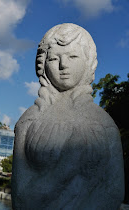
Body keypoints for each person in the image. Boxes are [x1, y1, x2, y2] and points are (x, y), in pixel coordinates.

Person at [12, 23, 124, 210]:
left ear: (89, 62)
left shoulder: (103, 124)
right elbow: (20, 197)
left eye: (73, 56)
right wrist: (69, 165)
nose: (63, 65)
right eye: (54, 58)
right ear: (42, 65)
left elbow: (114, 191)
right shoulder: (29, 121)